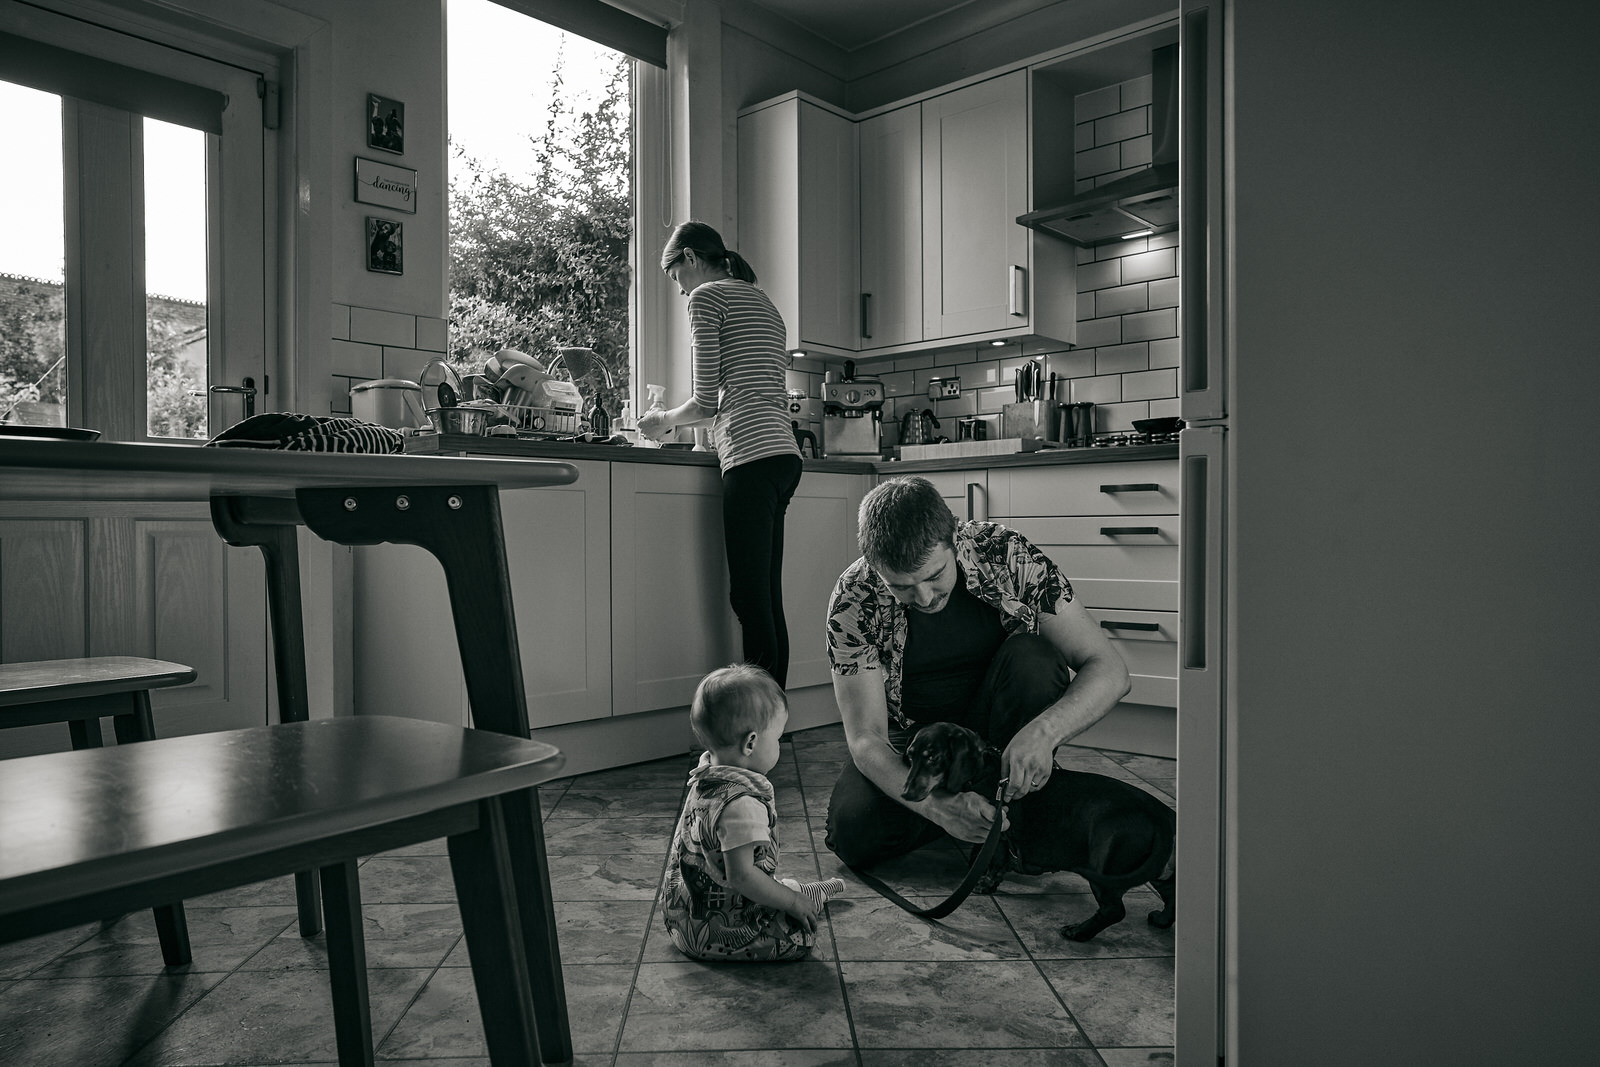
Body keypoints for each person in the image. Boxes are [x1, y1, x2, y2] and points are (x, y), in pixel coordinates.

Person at [822, 476, 1133, 869]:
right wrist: (937, 807)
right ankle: (988, 810)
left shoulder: (1006, 553)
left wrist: (1044, 733)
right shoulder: (854, 596)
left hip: (1001, 730)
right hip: (916, 742)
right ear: (874, 566)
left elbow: (1110, 670)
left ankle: (1005, 798)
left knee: (1035, 657)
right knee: (853, 832)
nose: (924, 598)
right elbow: (866, 738)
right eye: (901, 587)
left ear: (954, 537)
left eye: (934, 576)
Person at [638, 222, 804, 687]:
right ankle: (774, 711)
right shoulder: (763, 301)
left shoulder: (706, 297)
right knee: (766, 595)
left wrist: (662, 420)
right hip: (783, 454)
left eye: (676, 276)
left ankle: (760, 715)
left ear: (691, 258)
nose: (680, 289)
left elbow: (706, 402)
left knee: (749, 599)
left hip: (751, 454)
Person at [661, 664, 845, 962]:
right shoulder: (742, 805)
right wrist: (791, 903)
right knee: (799, 936)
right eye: (778, 738)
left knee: (774, 889)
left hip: (682, 918)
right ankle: (802, 897)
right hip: (717, 933)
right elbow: (742, 877)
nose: (779, 745)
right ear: (751, 743)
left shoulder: (707, 775)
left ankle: (796, 893)